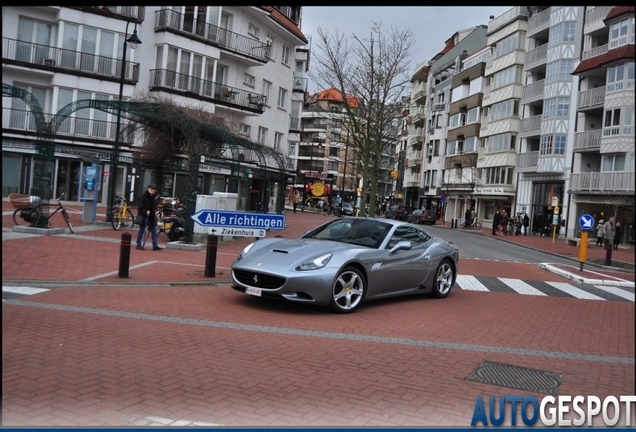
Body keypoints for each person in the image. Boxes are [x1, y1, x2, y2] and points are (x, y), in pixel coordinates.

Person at [136, 183, 162, 251]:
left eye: (154, 190)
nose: (152, 191)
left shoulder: (153, 197)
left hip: (151, 216)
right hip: (144, 216)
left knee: (154, 230)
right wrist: (145, 211)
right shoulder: (143, 197)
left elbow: (153, 205)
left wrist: (154, 210)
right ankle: (138, 244)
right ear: (148, 189)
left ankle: (155, 245)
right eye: (151, 189)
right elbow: (140, 207)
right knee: (142, 230)